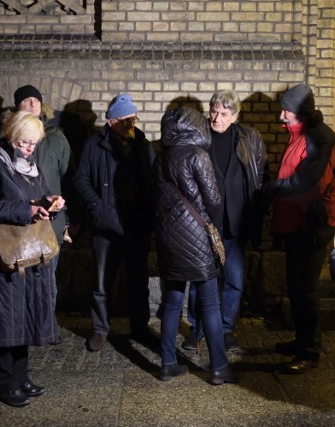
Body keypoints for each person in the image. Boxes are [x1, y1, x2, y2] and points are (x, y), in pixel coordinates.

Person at [0, 111, 64, 407]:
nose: (30, 149)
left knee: (25, 318)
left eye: (34, 144)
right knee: (6, 321)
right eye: (25, 143)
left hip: (30, 255)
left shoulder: (31, 165)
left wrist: (53, 203)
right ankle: (5, 382)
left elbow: (42, 195)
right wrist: (27, 211)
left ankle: (21, 376)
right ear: (11, 137)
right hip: (4, 259)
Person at [154, 107, 237, 385]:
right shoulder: (197, 155)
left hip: (168, 238)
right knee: (210, 305)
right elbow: (213, 200)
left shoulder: (161, 156)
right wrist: (209, 222)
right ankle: (218, 368)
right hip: (198, 240)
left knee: (171, 302)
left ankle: (167, 363)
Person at [183, 90, 267, 354]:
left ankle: (226, 329)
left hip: (236, 222)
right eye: (213, 111)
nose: (216, 117)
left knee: (234, 280)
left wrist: (256, 216)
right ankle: (196, 329)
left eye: (223, 113)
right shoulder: (199, 137)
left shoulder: (250, 138)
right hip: (205, 223)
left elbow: (259, 176)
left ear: (235, 116)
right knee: (201, 279)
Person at [72, 93, 156, 352]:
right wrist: (97, 207)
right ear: (111, 121)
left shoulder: (142, 145)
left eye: (134, 118)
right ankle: (99, 329)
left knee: (138, 280)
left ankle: (139, 328)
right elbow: (81, 180)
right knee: (101, 282)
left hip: (135, 226)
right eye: (127, 119)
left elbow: (152, 183)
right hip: (106, 228)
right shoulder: (94, 145)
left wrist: (148, 216)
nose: (132, 124)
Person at [267, 83, 335, 374]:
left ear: (301, 112)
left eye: (287, 111)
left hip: (312, 224)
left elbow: (310, 183)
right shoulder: (300, 134)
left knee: (307, 289)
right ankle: (301, 339)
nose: (281, 116)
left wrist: (273, 189)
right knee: (296, 287)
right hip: (295, 223)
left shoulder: (321, 138)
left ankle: (310, 351)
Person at [14, 85, 77, 338]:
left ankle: (46, 326)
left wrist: (69, 218)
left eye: (35, 99)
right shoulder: (6, 136)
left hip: (50, 221)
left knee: (47, 278)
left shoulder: (55, 138)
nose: (31, 103)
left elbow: (69, 178)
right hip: (19, 220)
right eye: (25, 100)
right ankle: (22, 326)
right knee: (21, 278)